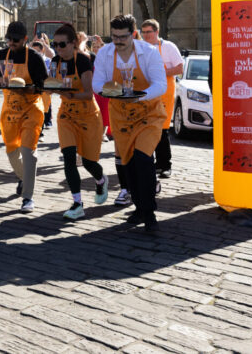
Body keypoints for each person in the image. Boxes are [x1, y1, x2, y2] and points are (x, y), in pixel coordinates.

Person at [92, 14, 168, 234]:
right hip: (122, 116)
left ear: (133, 34)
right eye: (114, 36)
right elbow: (97, 83)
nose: (117, 41)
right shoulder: (105, 54)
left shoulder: (149, 53)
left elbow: (160, 85)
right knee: (129, 165)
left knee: (143, 159)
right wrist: (109, 91)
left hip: (149, 114)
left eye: (123, 37)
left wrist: (139, 96)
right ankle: (139, 208)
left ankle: (150, 212)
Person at [0, 21, 48, 212]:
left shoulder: (35, 58)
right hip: (10, 110)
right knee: (12, 152)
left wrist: (29, 87)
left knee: (29, 153)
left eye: (16, 40)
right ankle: (24, 178)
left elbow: (43, 83)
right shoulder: (1, 55)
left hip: (31, 109)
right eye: (9, 39)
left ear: (25, 39)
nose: (11, 43)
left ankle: (27, 197)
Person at [49, 24, 108, 219]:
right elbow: (50, 83)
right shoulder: (55, 61)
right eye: (54, 44)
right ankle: (77, 203)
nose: (58, 48)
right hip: (66, 115)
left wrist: (68, 94)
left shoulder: (83, 60)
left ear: (73, 43)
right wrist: (46, 88)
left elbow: (88, 92)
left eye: (62, 44)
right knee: (68, 157)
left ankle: (101, 180)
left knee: (90, 162)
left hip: (88, 114)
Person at [140, 20, 183, 179]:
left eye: (148, 32)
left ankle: (165, 165)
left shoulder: (168, 47)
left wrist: (159, 72)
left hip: (165, 92)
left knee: (162, 129)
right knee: (148, 128)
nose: (145, 35)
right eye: (143, 32)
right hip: (147, 92)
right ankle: (150, 163)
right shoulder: (140, 48)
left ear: (156, 32)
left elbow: (179, 68)